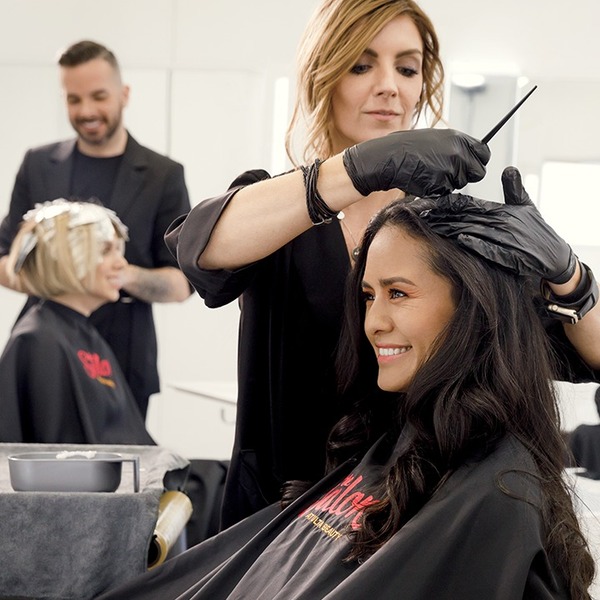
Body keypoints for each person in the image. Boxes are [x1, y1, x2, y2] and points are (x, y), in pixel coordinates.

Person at [164, 0, 600, 529]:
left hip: (414, 526)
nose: (389, 86)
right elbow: (198, 249)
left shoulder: (454, 234)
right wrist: (359, 170)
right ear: (323, 77)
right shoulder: (277, 212)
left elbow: (588, 357)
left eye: (408, 68)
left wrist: (570, 278)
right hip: (278, 523)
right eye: (361, 65)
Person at [96, 193, 595, 599]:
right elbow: (195, 245)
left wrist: (572, 279)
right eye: (368, 296)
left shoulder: (496, 492)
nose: (373, 322)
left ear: (472, 306)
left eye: (398, 293)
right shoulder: (393, 445)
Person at [0, 40, 192, 419]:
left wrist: (114, 273)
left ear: (124, 94)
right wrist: (58, 278)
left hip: (123, 356)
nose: (86, 111)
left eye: (99, 97)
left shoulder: (163, 176)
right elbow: (5, 257)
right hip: (44, 353)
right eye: (74, 100)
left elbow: (181, 284)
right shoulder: (38, 165)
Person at [0, 199, 154, 445]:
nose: (122, 263)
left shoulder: (81, 333)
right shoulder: (39, 341)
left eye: (118, 250)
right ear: (67, 259)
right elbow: (56, 452)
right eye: (105, 251)